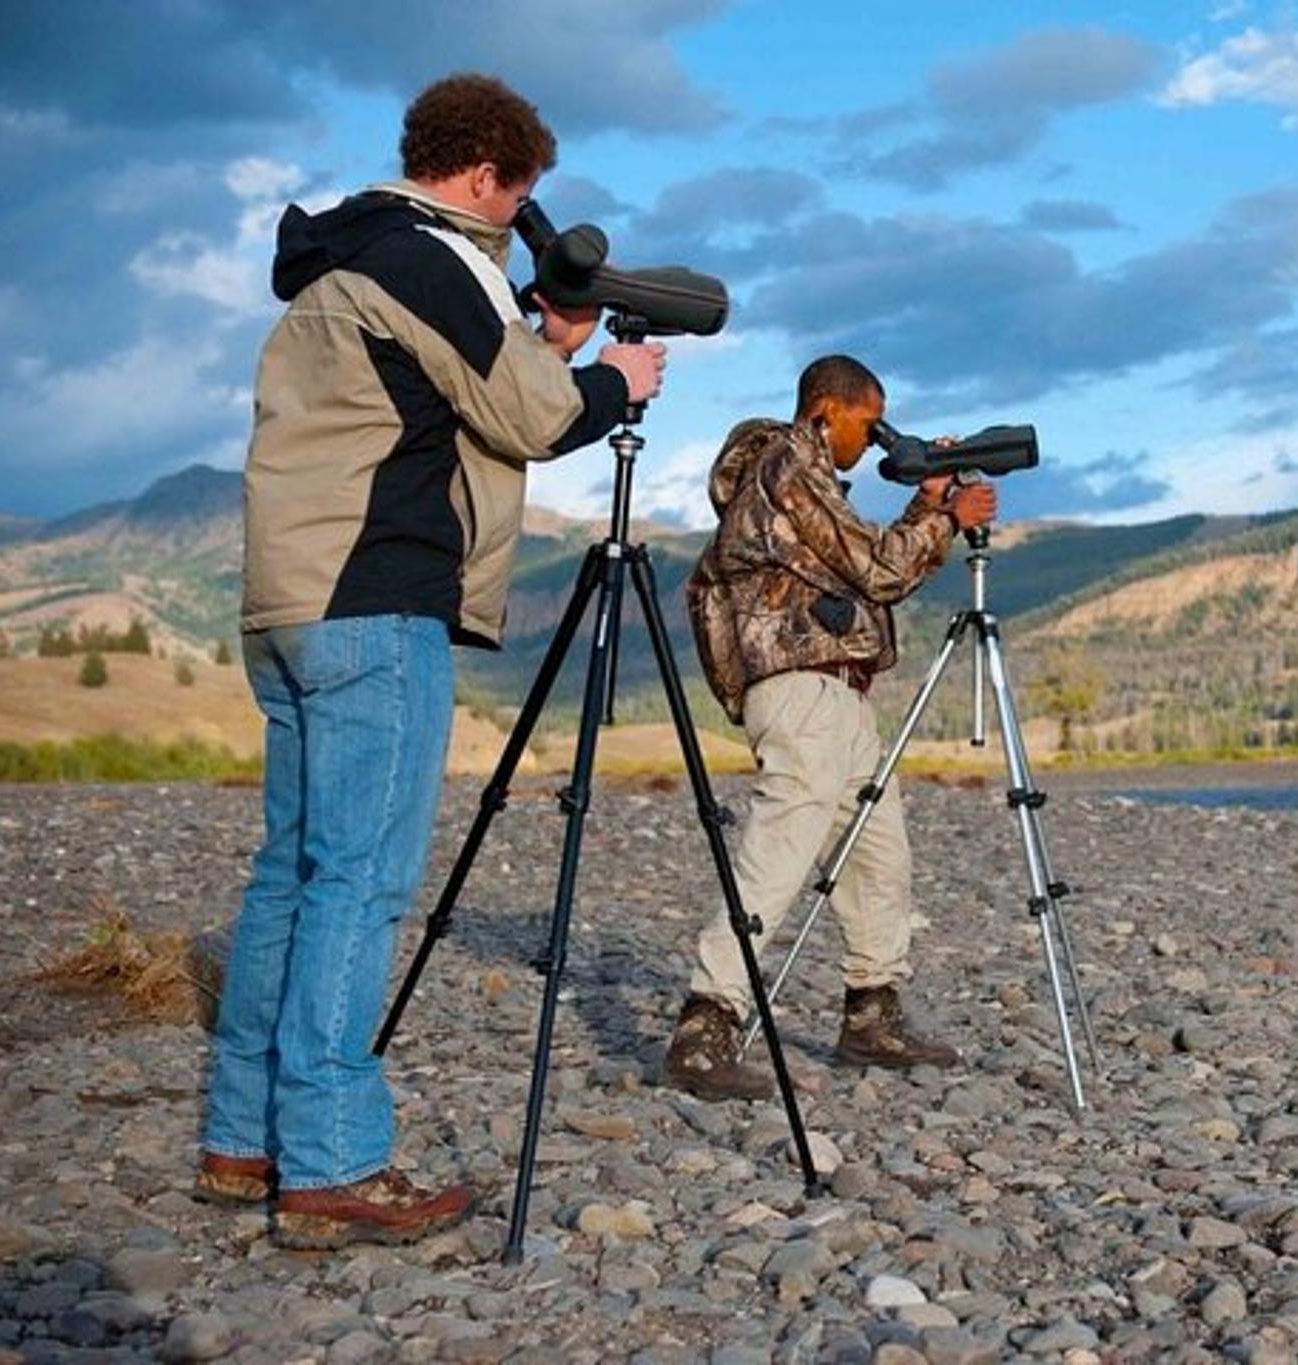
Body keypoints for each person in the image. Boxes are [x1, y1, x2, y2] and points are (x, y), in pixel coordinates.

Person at [197, 73, 667, 1250]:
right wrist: (612, 380)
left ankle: (240, 1138)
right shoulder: (431, 256)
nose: (519, 224)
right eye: (518, 200)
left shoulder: (342, 261)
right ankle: (334, 1163)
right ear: (481, 178)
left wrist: (541, 338)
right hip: (376, 599)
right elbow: (530, 421)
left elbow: (448, 385)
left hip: (286, 603)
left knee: (290, 878)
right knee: (358, 884)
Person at [662, 355, 997, 1100]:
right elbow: (877, 570)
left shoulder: (810, 480)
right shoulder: (787, 462)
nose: (872, 439)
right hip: (797, 684)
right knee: (782, 845)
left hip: (840, 688)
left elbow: (863, 563)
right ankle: (706, 1022)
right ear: (827, 408)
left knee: (879, 851)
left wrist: (925, 512)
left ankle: (871, 1012)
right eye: (867, 422)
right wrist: (944, 517)